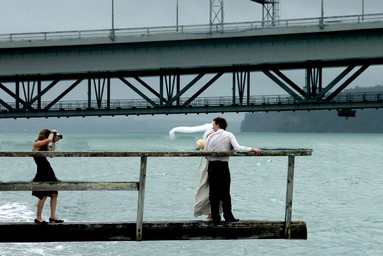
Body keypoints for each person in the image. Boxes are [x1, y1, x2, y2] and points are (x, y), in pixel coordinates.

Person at [204, 117, 262, 225]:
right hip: (223, 166)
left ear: (218, 124)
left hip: (212, 166)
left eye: (213, 124)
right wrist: (251, 148)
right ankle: (228, 216)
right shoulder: (229, 135)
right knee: (225, 192)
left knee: (213, 193)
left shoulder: (209, 137)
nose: (212, 126)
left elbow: (205, 154)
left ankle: (215, 218)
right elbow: (238, 148)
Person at [32, 128, 64, 224]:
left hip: (48, 171)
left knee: (54, 194)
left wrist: (54, 142)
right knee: (43, 195)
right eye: (50, 135)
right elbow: (49, 139)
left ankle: (53, 216)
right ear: (46, 135)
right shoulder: (37, 143)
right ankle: (38, 217)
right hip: (42, 172)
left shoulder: (45, 144)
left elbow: (52, 155)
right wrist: (53, 132)